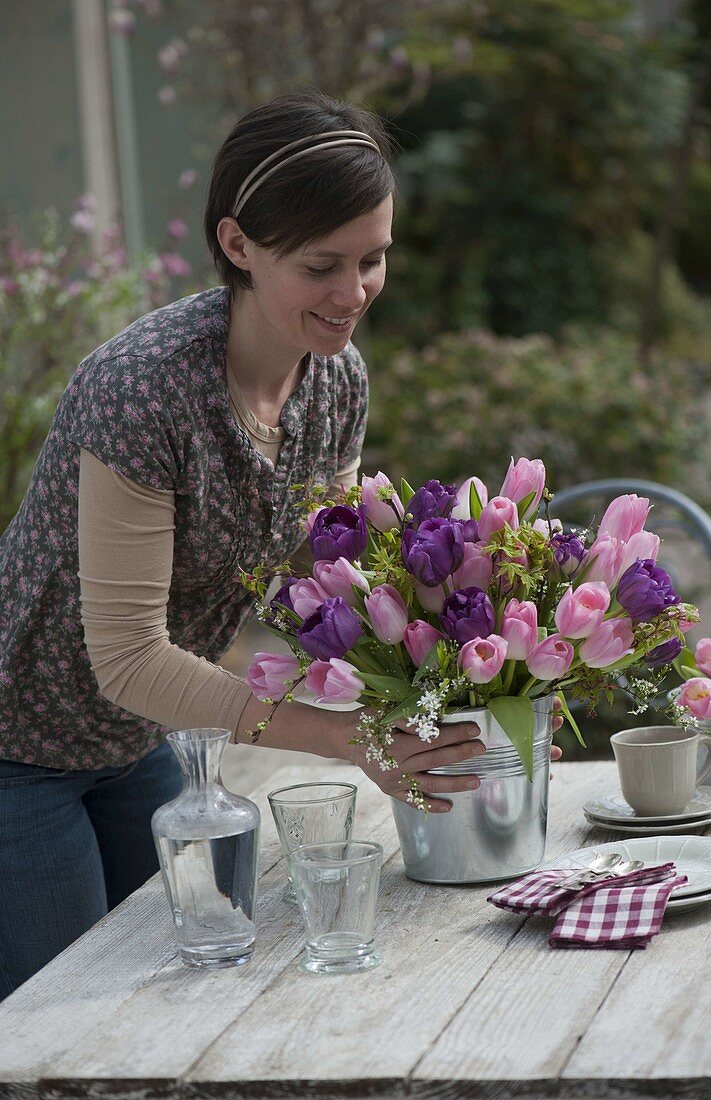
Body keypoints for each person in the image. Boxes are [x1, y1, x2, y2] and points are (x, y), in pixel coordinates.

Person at [0, 91, 561, 1000]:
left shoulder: (334, 380)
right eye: (320, 265)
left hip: (150, 741)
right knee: (64, 1015)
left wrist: (481, 703)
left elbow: (322, 589)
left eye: (373, 259)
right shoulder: (141, 391)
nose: (354, 295)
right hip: (16, 745)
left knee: (198, 985)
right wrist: (350, 740)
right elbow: (130, 655)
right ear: (237, 245)